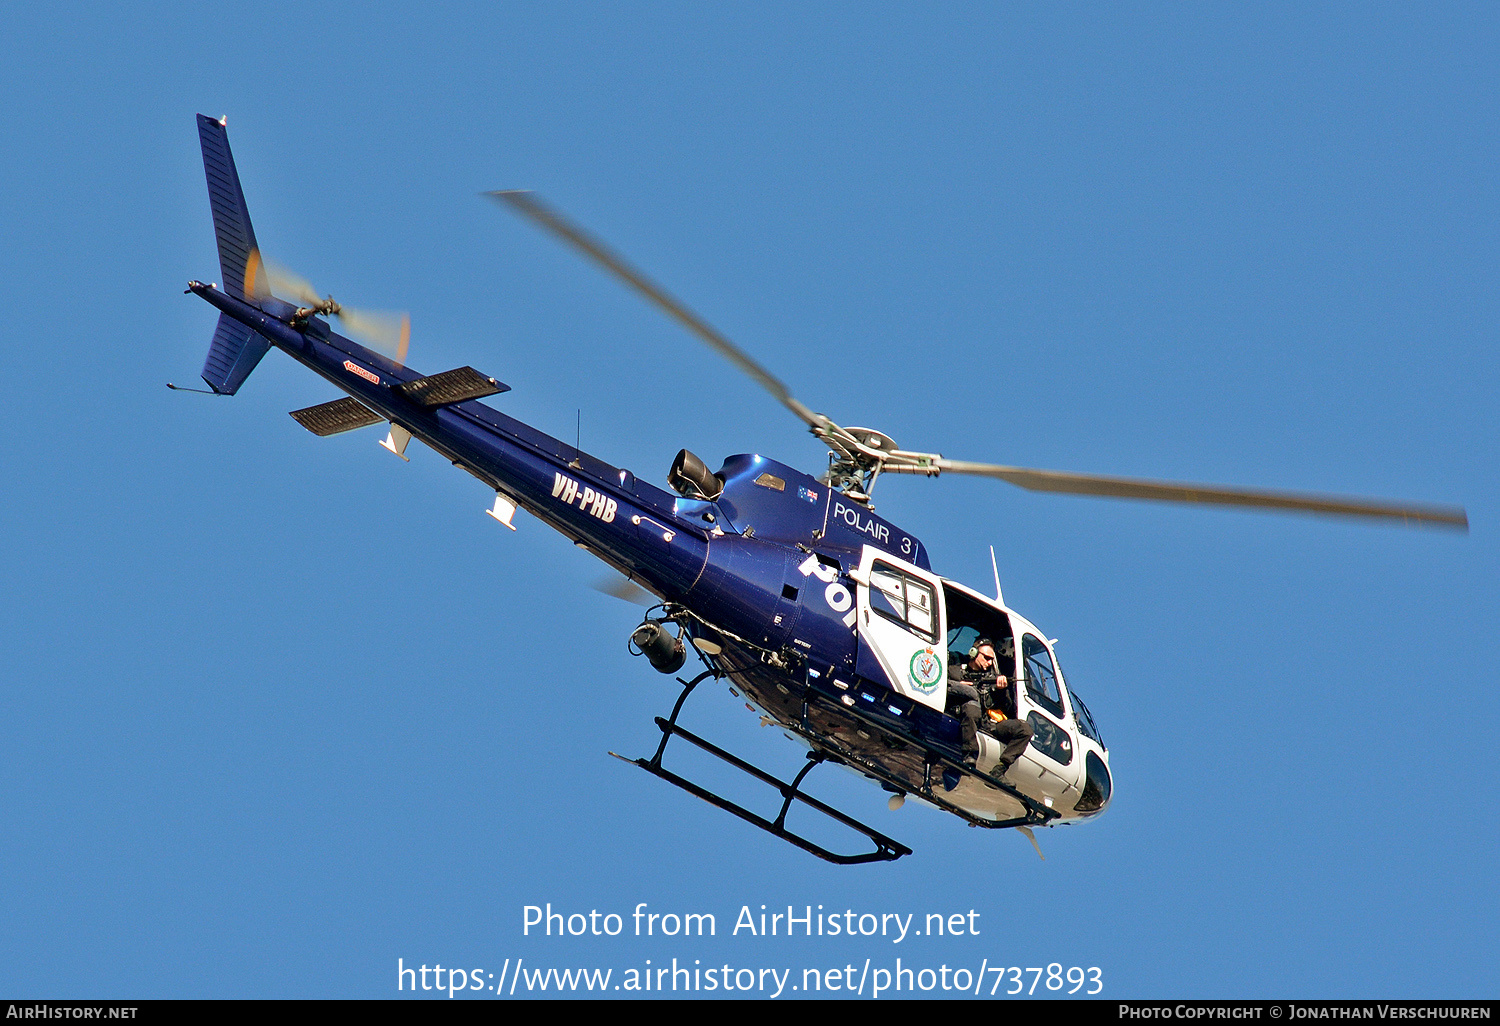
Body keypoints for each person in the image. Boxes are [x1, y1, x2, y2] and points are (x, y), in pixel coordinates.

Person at [948, 637, 1033, 776]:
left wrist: (1002, 690)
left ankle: (1001, 768)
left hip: (988, 723)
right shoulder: (955, 670)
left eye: (991, 660)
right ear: (973, 653)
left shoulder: (992, 679)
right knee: (972, 708)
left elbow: (1008, 707)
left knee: (1025, 730)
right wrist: (960, 687)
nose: (989, 663)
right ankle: (969, 755)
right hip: (963, 715)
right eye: (986, 658)